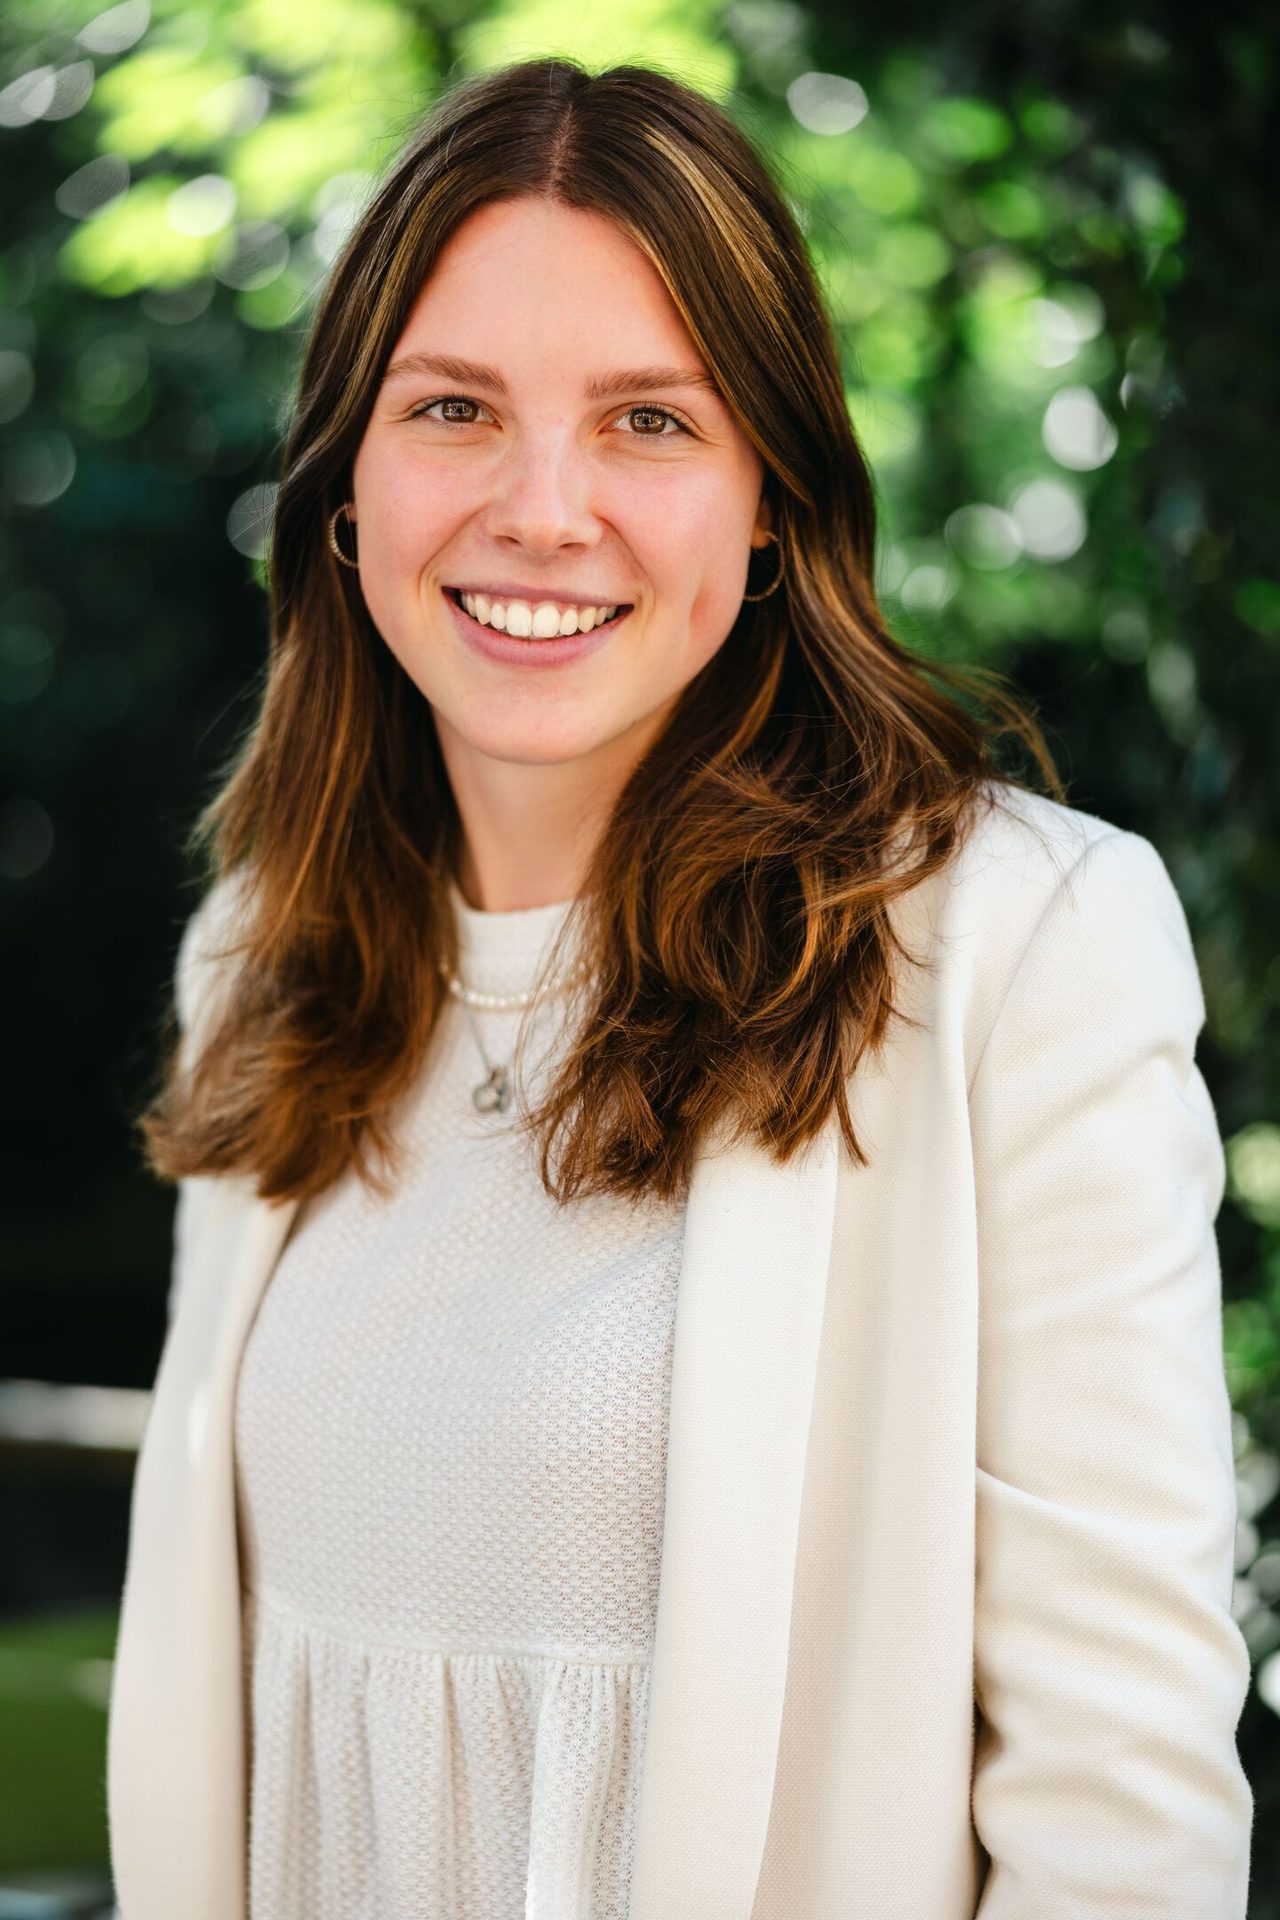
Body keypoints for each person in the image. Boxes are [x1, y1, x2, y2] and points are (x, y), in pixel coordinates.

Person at [105, 54, 1253, 1920]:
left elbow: (1121, 1811)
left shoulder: (1018, 949)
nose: (541, 508)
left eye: (648, 422)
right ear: (342, 479)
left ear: (774, 498)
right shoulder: (263, 953)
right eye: (454, 407)